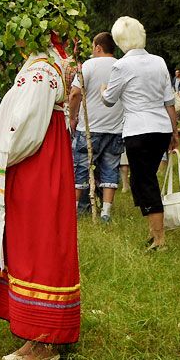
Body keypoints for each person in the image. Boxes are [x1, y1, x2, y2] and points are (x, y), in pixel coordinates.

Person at [0, 21, 79, 360]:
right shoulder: (40, 66)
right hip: (37, 165)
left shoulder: (41, 71)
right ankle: (35, 335)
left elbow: (25, 128)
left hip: (35, 167)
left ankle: (45, 341)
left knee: (38, 247)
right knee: (28, 244)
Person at [102, 17, 178, 251]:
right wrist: (174, 132)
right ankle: (153, 232)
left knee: (144, 182)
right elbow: (169, 101)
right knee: (143, 179)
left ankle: (160, 239)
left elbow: (109, 100)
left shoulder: (122, 66)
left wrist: (103, 89)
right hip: (161, 128)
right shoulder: (159, 61)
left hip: (138, 129)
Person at [68, 32, 125, 223]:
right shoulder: (121, 66)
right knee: (110, 168)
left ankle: (75, 210)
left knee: (81, 168)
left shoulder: (89, 65)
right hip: (115, 127)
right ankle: (106, 212)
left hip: (89, 126)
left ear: (98, 47)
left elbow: (75, 93)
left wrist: (73, 117)